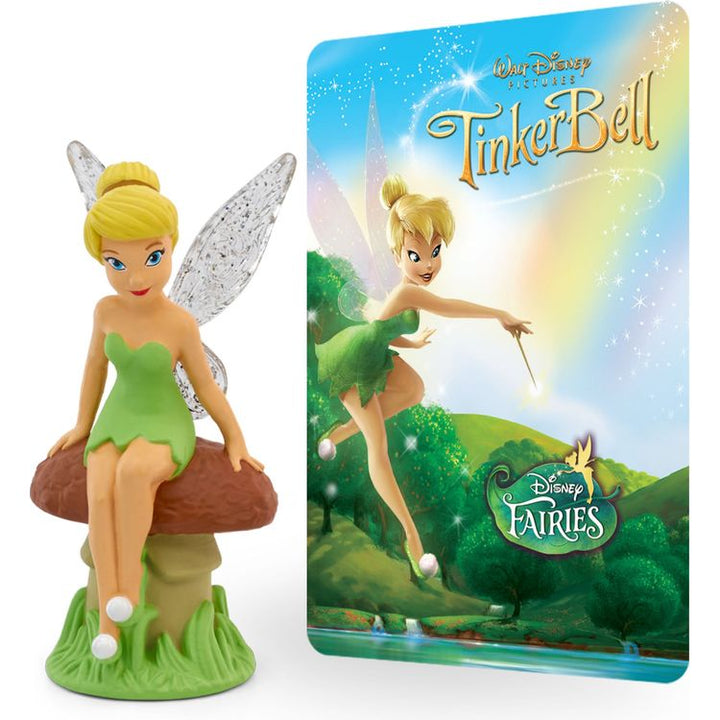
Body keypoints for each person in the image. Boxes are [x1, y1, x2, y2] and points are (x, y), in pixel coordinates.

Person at [49, 161, 263, 659]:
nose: (136, 277)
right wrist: (82, 424)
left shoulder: (179, 322)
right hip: (117, 417)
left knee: (134, 475)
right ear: (102, 260)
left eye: (152, 256)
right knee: (100, 484)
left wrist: (235, 437)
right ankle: (108, 620)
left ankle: (126, 590)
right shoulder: (105, 311)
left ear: (170, 245)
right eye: (116, 262)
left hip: (165, 422)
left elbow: (205, 387)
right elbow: (94, 370)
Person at [316, 174, 531, 579]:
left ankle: (340, 433)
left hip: (373, 353)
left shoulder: (404, 291)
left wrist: (410, 344)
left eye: (435, 252)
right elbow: (447, 306)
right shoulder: (408, 292)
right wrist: (499, 314)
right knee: (378, 448)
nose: (428, 265)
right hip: (355, 366)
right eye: (416, 256)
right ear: (397, 255)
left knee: (413, 389)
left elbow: (381, 328)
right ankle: (412, 540)